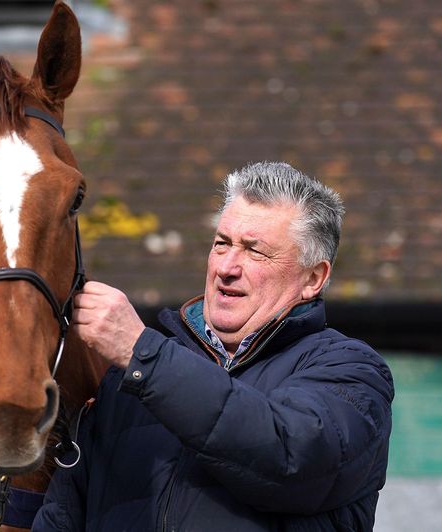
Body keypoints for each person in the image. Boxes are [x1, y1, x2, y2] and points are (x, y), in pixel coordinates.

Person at [33, 161, 394, 531]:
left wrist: (143, 353)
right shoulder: (127, 382)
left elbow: (291, 461)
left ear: (313, 278)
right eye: (222, 243)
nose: (227, 267)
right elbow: (61, 518)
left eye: (255, 251)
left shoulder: (352, 371)